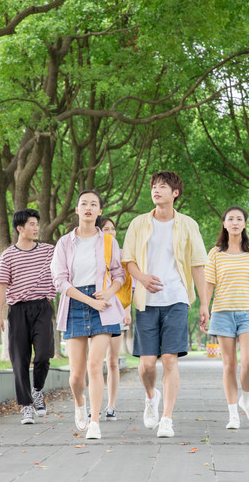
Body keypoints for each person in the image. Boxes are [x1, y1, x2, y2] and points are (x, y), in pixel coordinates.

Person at [122, 170, 209, 438]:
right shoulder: (138, 223)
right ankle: (151, 398)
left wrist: (205, 303)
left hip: (176, 299)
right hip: (146, 301)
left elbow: (197, 265)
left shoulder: (188, 225)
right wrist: (142, 278)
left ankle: (167, 419)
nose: (156, 190)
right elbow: (128, 260)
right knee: (148, 364)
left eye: (163, 187)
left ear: (175, 193)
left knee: (170, 359)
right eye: (154, 187)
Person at [51, 191, 130, 440]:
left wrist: (108, 294)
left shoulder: (109, 242)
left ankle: (95, 421)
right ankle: (79, 402)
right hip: (75, 303)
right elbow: (59, 281)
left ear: (99, 212)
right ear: (76, 210)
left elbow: (120, 275)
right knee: (76, 375)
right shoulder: (64, 243)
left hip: (104, 308)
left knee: (96, 365)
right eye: (83, 203)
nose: (88, 207)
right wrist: (88, 302)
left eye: (93, 204)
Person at [202, 207, 249, 429]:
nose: (235, 222)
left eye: (240, 219)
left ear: (245, 224)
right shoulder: (215, 254)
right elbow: (209, 285)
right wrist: (204, 307)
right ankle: (233, 415)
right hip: (222, 313)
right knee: (229, 365)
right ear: (225, 224)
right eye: (231, 219)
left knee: (248, 363)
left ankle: (246, 401)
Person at [0, 208, 56, 425]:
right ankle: (26, 406)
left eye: (37, 224)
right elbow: (1, 288)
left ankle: (37, 390)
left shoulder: (49, 251)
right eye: (31, 224)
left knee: (44, 355)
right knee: (19, 359)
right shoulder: (8, 255)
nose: (36, 228)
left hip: (42, 307)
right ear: (20, 228)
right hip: (18, 310)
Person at [100, 216, 125, 421]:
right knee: (94, 362)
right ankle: (93, 403)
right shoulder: (91, 253)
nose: (110, 232)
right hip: (93, 310)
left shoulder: (121, 255)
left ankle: (111, 405)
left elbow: (128, 288)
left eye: (112, 229)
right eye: (106, 229)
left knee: (113, 362)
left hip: (115, 312)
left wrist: (127, 314)